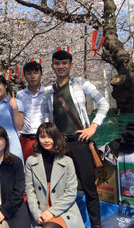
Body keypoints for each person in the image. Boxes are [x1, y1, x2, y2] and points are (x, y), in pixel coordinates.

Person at [43, 50, 109, 228]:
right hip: (60, 145)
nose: (61, 67)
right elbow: (46, 119)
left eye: (65, 63)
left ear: (71, 65)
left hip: (80, 142)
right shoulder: (48, 91)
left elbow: (104, 103)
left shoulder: (81, 83)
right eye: (57, 63)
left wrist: (93, 127)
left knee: (88, 187)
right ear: (52, 66)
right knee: (60, 188)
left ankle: (96, 225)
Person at [25, 122, 85, 228]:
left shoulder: (67, 161)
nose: (47, 140)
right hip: (40, 211)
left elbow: (71, 192)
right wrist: (36, 214)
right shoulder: (31, 161)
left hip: (62, 210)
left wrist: (51, 212)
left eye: (50, 136)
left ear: (56, 138)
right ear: (38, 138)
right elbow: (30, 191)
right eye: (43, 137)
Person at [0, 126, 30, 228]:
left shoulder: (15, 162)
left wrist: (4, 211)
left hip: (13, 207)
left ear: (6, 141)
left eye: (0, 138)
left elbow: (19, 192)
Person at [0, 75, 24, 162]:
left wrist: (14, 108)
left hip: (12, 146)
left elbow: (20, 126)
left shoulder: (17, 103)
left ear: (5, 85)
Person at [16, 61, 45, 162]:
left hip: (44, 138)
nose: (32, 76)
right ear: (24, 76)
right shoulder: (20, 95)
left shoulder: (48, 92)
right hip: (26, 139)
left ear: (41, 74)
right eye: (29, 73)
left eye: (35, 73)